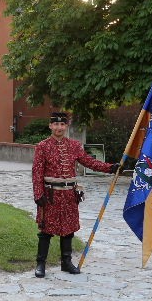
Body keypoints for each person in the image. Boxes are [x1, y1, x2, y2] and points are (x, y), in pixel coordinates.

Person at [31, 112, 119, 278]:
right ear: (50, 126)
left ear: (66, 126)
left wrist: (109, 168)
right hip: (50, 194)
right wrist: (38, 194)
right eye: (55, 124)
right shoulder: (42, 146)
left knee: (68, 229)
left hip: (69, 195)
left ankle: (66, 262)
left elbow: (89, 162)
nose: (59, 127)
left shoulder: (74, 146)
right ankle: (40, 264)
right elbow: (37, 172)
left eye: (62, 124)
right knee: (46, 230)